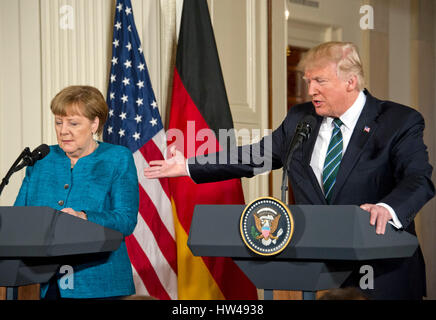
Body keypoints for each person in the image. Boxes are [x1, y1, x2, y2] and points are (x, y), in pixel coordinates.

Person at [144, 41, 435, 300]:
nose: (310, 91)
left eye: (319, 81)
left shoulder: (398, 121)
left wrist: (388, 208)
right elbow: (255, 155)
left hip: (381, 274)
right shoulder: (301, 117)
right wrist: (188, 165)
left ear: (351, 81)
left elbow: (418, 178)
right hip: (317, 277)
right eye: (307, 81)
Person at [14, 85, 139, 299]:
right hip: (42, 285)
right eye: (58, 122)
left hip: (99, 283)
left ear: (94, 124)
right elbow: (19, 217)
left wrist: (84, 217)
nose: (63, 131)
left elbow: (126, 220)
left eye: (73, 123)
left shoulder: (117, 158)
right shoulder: (41, 159)